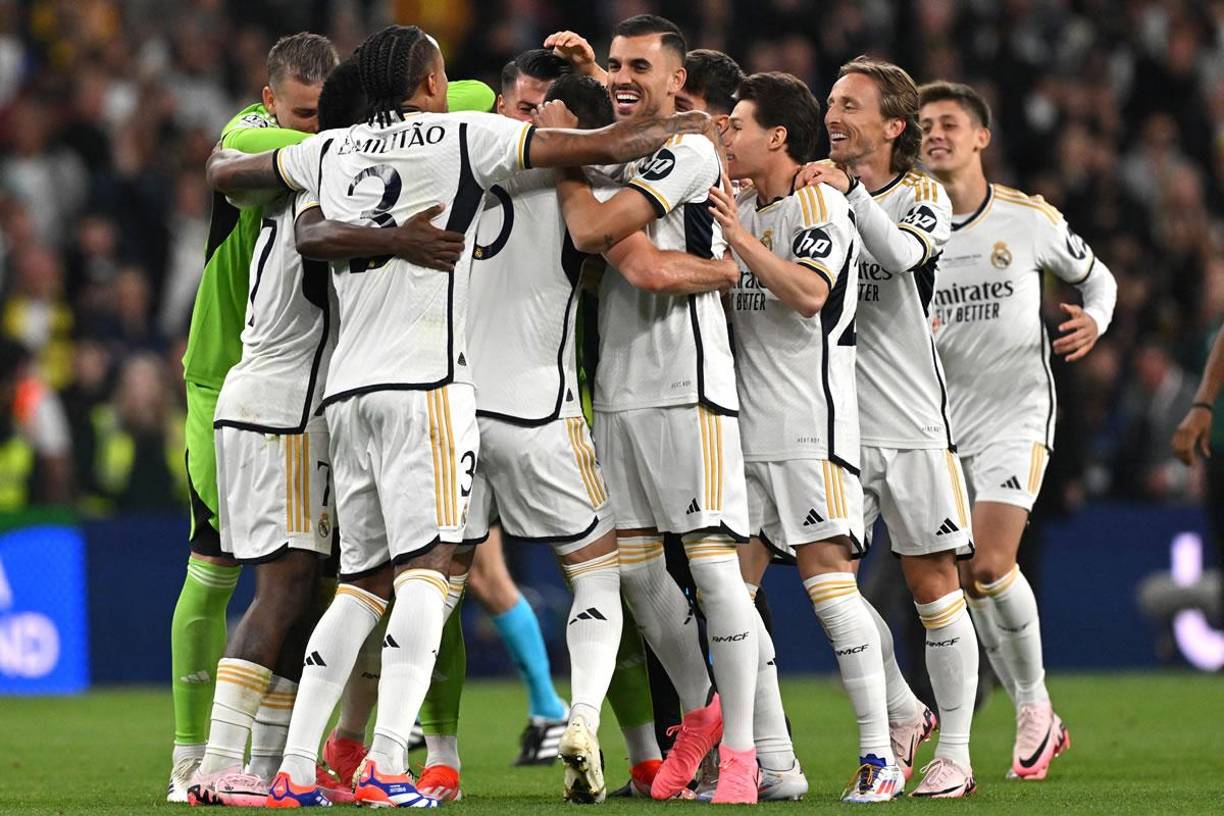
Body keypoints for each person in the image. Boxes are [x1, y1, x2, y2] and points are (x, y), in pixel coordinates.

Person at [207, 23, 721, 807]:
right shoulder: (464, 137)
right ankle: (388, 762)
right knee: (430, 573)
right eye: (443, 73)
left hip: (344, 397)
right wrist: (686, 124)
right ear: (426, 85)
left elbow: (232, 175)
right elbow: (600, 147)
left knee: (360, 586)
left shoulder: (328, 150)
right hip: (430, 390)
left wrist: (357, 221)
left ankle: (296, 769)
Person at [184, 55, 469, 806]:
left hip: (285, 408)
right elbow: (320, 246)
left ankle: (274, 769)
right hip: (280, 408)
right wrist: (400, 241)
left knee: (307, 590)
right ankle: (215, 764)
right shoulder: (319, 193)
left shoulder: (309, 184)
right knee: (281, 589)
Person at [551, 14, 759, 804]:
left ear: (679, 80)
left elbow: (614, 243)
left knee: (711, 569)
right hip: (619, 390)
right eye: (615, 64)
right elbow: (633, 249)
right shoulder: (621, 148)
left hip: (688, 384)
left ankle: (741, 756)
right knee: (638, 579)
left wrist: (565, 166)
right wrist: (587, 94)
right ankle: (701, 712)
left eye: (640, 66)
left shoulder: (690, 149)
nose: (623, 76)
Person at [710, 70, 903, 803]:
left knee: (830, 591)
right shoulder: (744, 204)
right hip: (746, 437)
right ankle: (773, 761)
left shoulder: (818, 202)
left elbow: (809, 293)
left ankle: (880, 754)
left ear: (778, 136)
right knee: (730, 598)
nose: (727, 135)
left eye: (737, 125)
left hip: (809, 431)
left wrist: (737, 242)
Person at [920, 80, 1118, 782]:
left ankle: (1034, 707)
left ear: (981, 138)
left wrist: (1096, 320)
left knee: (989, 564)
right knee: (968, 582)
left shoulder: (1027, 219)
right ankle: (1034, 712)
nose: (935, 133)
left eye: (949, 123)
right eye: (925, 124)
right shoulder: (906, 226)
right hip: (938, 425)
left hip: (1016, 415)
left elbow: (1099, 280)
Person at [166, 32, 339, 803]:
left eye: (325, 113)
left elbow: (467, 98)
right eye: (301, 114)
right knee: (216, 568)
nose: (314, 127)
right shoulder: (248, 133)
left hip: (309, 384)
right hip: (224, 379)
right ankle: (190, 757)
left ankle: (270, 760)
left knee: (304, 574)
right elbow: (234, 154)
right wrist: (347, 144)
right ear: (270, 101)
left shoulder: (337, 142)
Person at [800, 57, 979, 798]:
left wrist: (848, 194)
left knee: (933, 587)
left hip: (910, 425)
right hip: (832, 426)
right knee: (828, 584)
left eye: (851, 105)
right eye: (831, 103)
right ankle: (904, 708)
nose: (833, 115)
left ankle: (956, 755)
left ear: (893, 124)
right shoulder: (814, 191)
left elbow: (900, 255)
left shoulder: (921, 195)